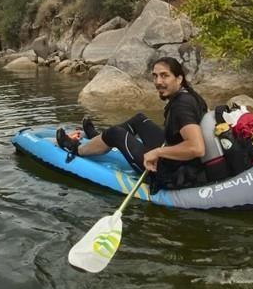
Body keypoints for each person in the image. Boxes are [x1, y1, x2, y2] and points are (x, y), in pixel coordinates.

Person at [55, 56, 210, 191]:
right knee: (139, 119)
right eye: (155, 76)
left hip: (173, 174)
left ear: (179, 78)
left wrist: (157, 152)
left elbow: (196, 148)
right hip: (183, 164)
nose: (158, 82)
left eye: (164, 76)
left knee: (116, 133)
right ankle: (100, 139)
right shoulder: (191, 96)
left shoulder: (182, 106)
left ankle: (76, 149)